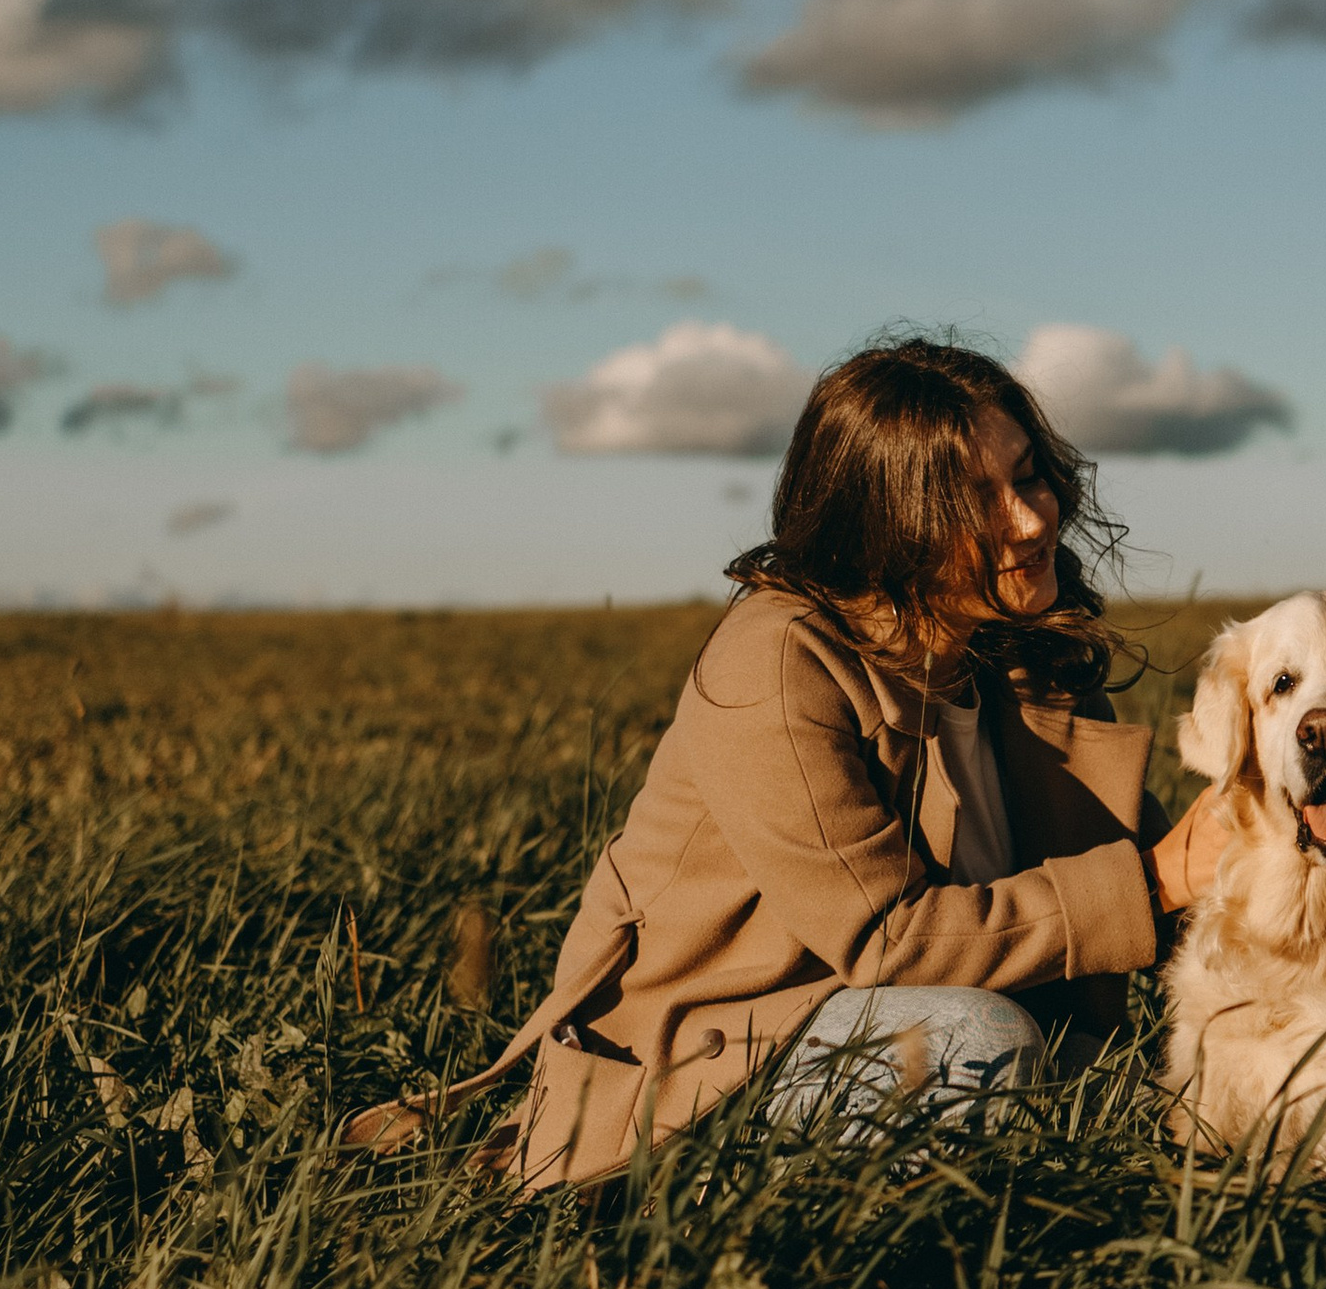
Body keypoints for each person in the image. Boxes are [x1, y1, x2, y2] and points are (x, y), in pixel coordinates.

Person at [423, 337, 1229, 1191]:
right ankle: (753, 1229)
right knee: (979, 1043)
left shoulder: (1024, 654)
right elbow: (888, 939)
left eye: (1029, 477)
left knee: (1146, 1074)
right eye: (973, 500)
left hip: (919, 1009)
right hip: (707, 1065)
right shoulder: (777, 662)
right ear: (884, 525)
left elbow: (1153, 870)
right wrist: (1156, 881)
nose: (1030, 519)